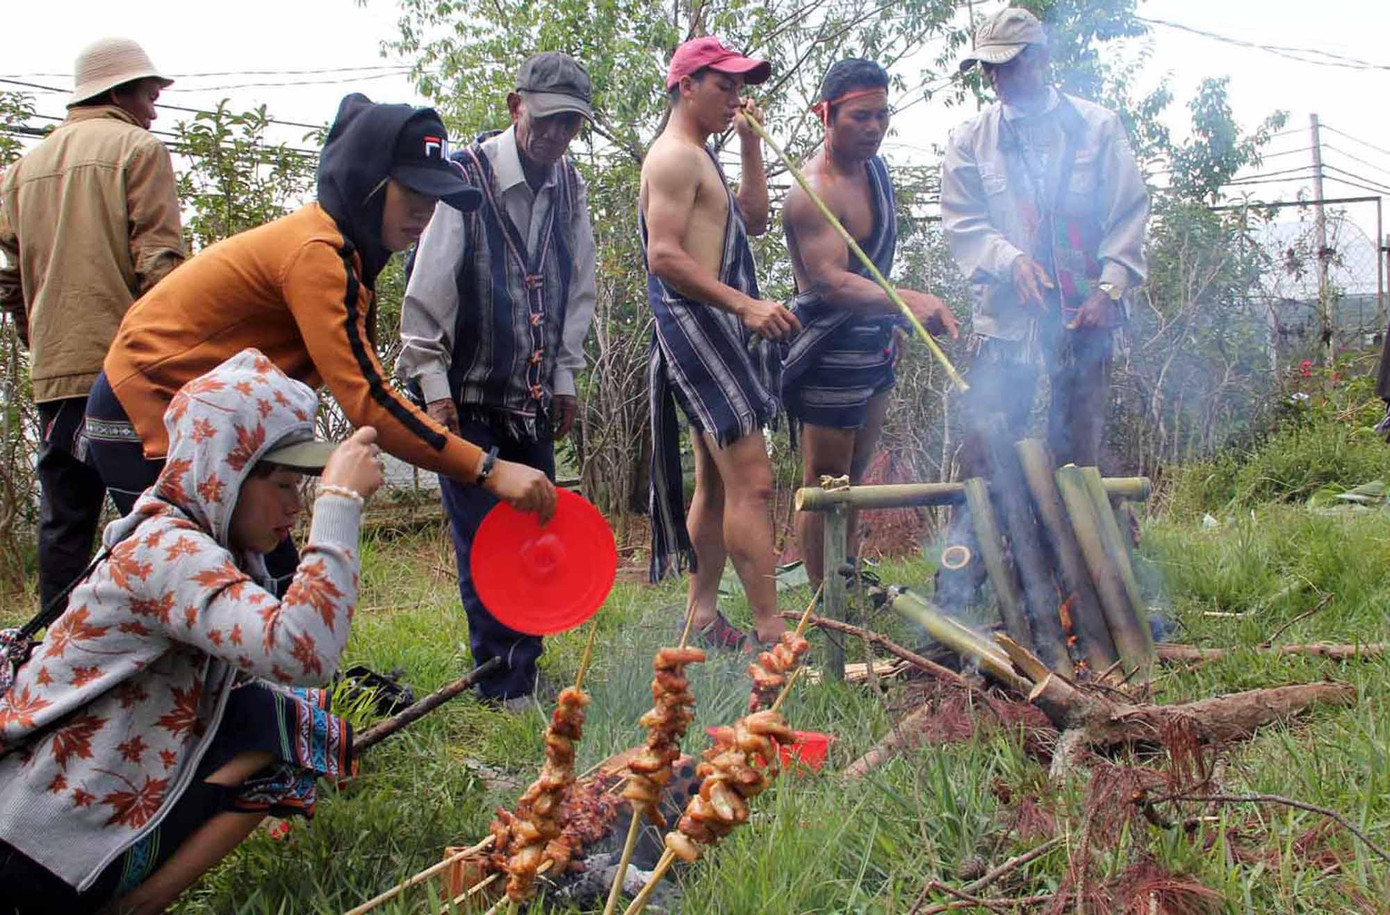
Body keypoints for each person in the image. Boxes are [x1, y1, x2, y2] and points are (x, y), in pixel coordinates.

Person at [83, 93, 557, 594]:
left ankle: (286, 673)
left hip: (213, 420)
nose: (425, 210)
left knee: (274, 584)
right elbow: (368, 400)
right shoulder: (317, 255)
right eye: (412, 191)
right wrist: (486, 468)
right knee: (198, 584)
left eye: (434, 196)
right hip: (146, 407)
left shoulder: (349, 257)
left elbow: (365, 384)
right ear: (367, 182)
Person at [0, 348, 383, 915]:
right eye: (282, 485)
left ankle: (131, 906)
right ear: (223, 473)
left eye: (302, 490)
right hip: (34, 852)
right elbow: (302, 652)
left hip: (65, 838)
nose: (295, 507)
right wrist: (340, 502)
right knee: (281, 711)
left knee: (286, 718)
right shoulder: (168, 552)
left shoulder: (190, 540)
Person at [397, 52, 598, 707]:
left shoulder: (569, 187)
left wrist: (565, 372)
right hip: (468, 396)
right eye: (546, 120)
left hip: (533, 397)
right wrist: (434, 387)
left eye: (570, 125)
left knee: (534, 529)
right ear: (517, 106)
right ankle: (498, 678)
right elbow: (428, 286)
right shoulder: (464, 177)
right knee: (484, 536)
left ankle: (526, 668)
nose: (556, 136)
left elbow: (579, 287)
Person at [937, 7, 1149, 609]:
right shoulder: (971, 141)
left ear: (1039, 58)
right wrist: (1009, 261)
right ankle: (965, 581)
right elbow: (964, 224)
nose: (998, 80)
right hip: (1007, 326)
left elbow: (1128, 213)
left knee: (1076, 445)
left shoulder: (1096, 128)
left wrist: (1110, 289)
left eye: (1008, 66)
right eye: (988, 70)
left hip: (1086, 321)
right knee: (987, 442)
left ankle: (1080, 582)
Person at [0, 37, 184, 611]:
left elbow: (9, 280)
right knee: (158, 519)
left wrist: (44, 341)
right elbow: (160, 266)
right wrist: (183, 359)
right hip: (129, 374)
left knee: (65, 526)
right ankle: (166, 663)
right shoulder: (139, 149)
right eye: (151, 95)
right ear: (121, 92)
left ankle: (54, 666)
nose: (154, 109)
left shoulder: (20, 171)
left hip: (56, 377)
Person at [641, 37, 800, 649]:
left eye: (739, 86)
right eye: (723, 85)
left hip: (716, 327)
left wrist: (752, 147)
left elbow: (754, 220)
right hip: (698, 326)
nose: (735, 96)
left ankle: (702, 618)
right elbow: (664, 257)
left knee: (714, 481)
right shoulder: (675, 157)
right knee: (753, 482)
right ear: (687, 86)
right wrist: (745, 304)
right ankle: (773, 631)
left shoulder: (704, 156)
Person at [780, 58, 958, 587]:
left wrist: (891, 320)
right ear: (825, 114)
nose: (874, 129)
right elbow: (830, 282)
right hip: (830, 350)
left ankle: (845, 573)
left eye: (882, 116)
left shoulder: (875, 169)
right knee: (827, 482)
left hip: (873, 339)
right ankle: (823, 597)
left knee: (855, 477)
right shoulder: (813, 190)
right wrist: (906, 302)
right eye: (861, 117)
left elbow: (871, 267)